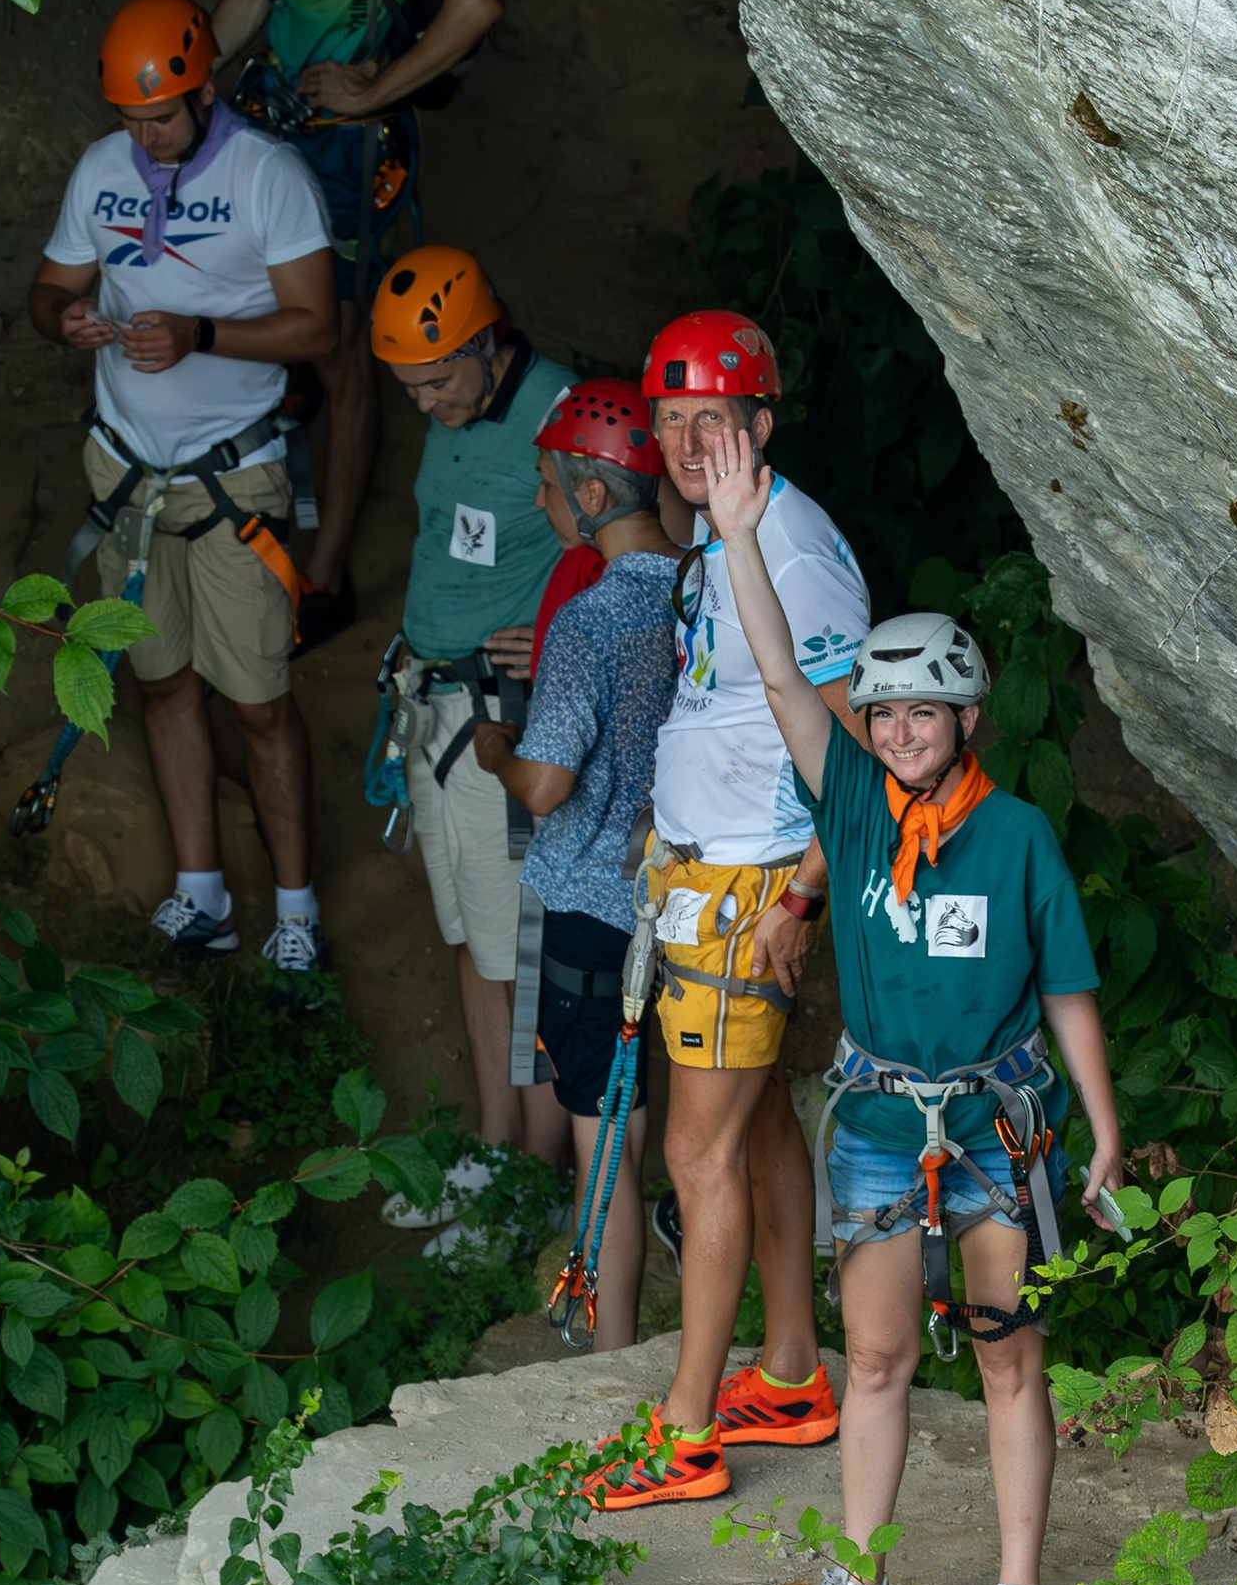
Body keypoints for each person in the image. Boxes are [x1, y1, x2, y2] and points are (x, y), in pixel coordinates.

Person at [702, 422, 1124, 1585]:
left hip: (996, 1120)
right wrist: (737, 534)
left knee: (1006, 1358)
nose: (898, 731)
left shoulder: (1018, 838)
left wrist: (1103, 1128)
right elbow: (782, 679)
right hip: (885, 1119)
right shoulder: (849, 807)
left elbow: (1067, 990)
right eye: (883, 712)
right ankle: (859, 1576)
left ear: (966, 716)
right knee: (876, 1356)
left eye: (922, 712)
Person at [586, 310, 866, 1515]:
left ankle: (688, 1430)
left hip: (752, 892)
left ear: (763, 422)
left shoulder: (790, 548)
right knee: (749, 1135)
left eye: (717, 418)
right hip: (712, 881)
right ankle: (794, 1372)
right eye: (671, 420)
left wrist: (804, 890)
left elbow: (854, 742)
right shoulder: (723, 531)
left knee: (694, 1152)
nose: (693, 440)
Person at [29, 0, 339, 973]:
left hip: (231, 479)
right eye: (130, 117)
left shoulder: (267, 177)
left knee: (258, 704)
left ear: (204, 92)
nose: (144, 136)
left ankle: (296, 911)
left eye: (159, 117)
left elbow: (318, 327)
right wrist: (66, 320)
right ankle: (200, 894)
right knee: (160, 687)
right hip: (125, 468)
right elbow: (48, 289)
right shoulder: (101, 170)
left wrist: (201, 333)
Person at [209, 0, 502, 642]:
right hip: (275, 122)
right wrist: (174, 87)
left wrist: (377, 86)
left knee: (338, 355)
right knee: (266, 310)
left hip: (346, 146)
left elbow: (473, 2)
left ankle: (323, 574)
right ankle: (272, 450)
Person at [470, 382, 678, 1349]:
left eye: (548, 488)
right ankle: (619, 1336)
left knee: (602, 1143)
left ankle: (611, 1354)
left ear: (591, 497)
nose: (543, 505)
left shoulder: (590, 621)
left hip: (589, 908)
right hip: (674, 897)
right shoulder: (698, 591)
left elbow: (547, 785)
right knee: (631, 1115)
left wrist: (494, 752)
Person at [371, 243, 576, 1154]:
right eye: (408, 387)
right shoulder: (454, 404)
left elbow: (642, 544)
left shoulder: (560, 414)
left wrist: (561, 631)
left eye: (432, 382)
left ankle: (531, 1163)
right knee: (471, 936)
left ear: (483, 343)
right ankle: (497, 1143)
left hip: (497, 712)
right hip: (432, 703)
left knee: (518, 948)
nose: (422, 404)